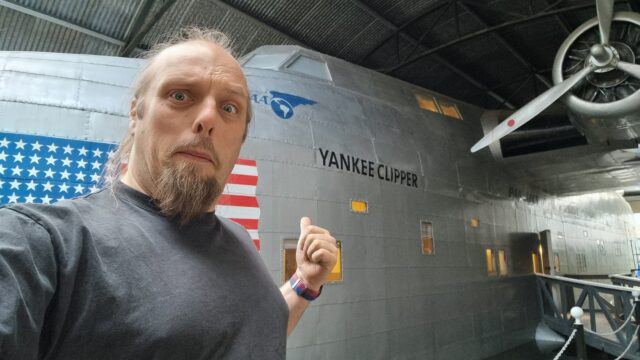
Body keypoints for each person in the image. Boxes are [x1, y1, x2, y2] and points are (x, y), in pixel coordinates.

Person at [0, 28, 338, 359]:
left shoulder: (238, 238)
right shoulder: (42, 244)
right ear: (136, 114)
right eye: (180, 95)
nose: (207, 119)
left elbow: (253, 335)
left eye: (229, 108)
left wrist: (304, 283)